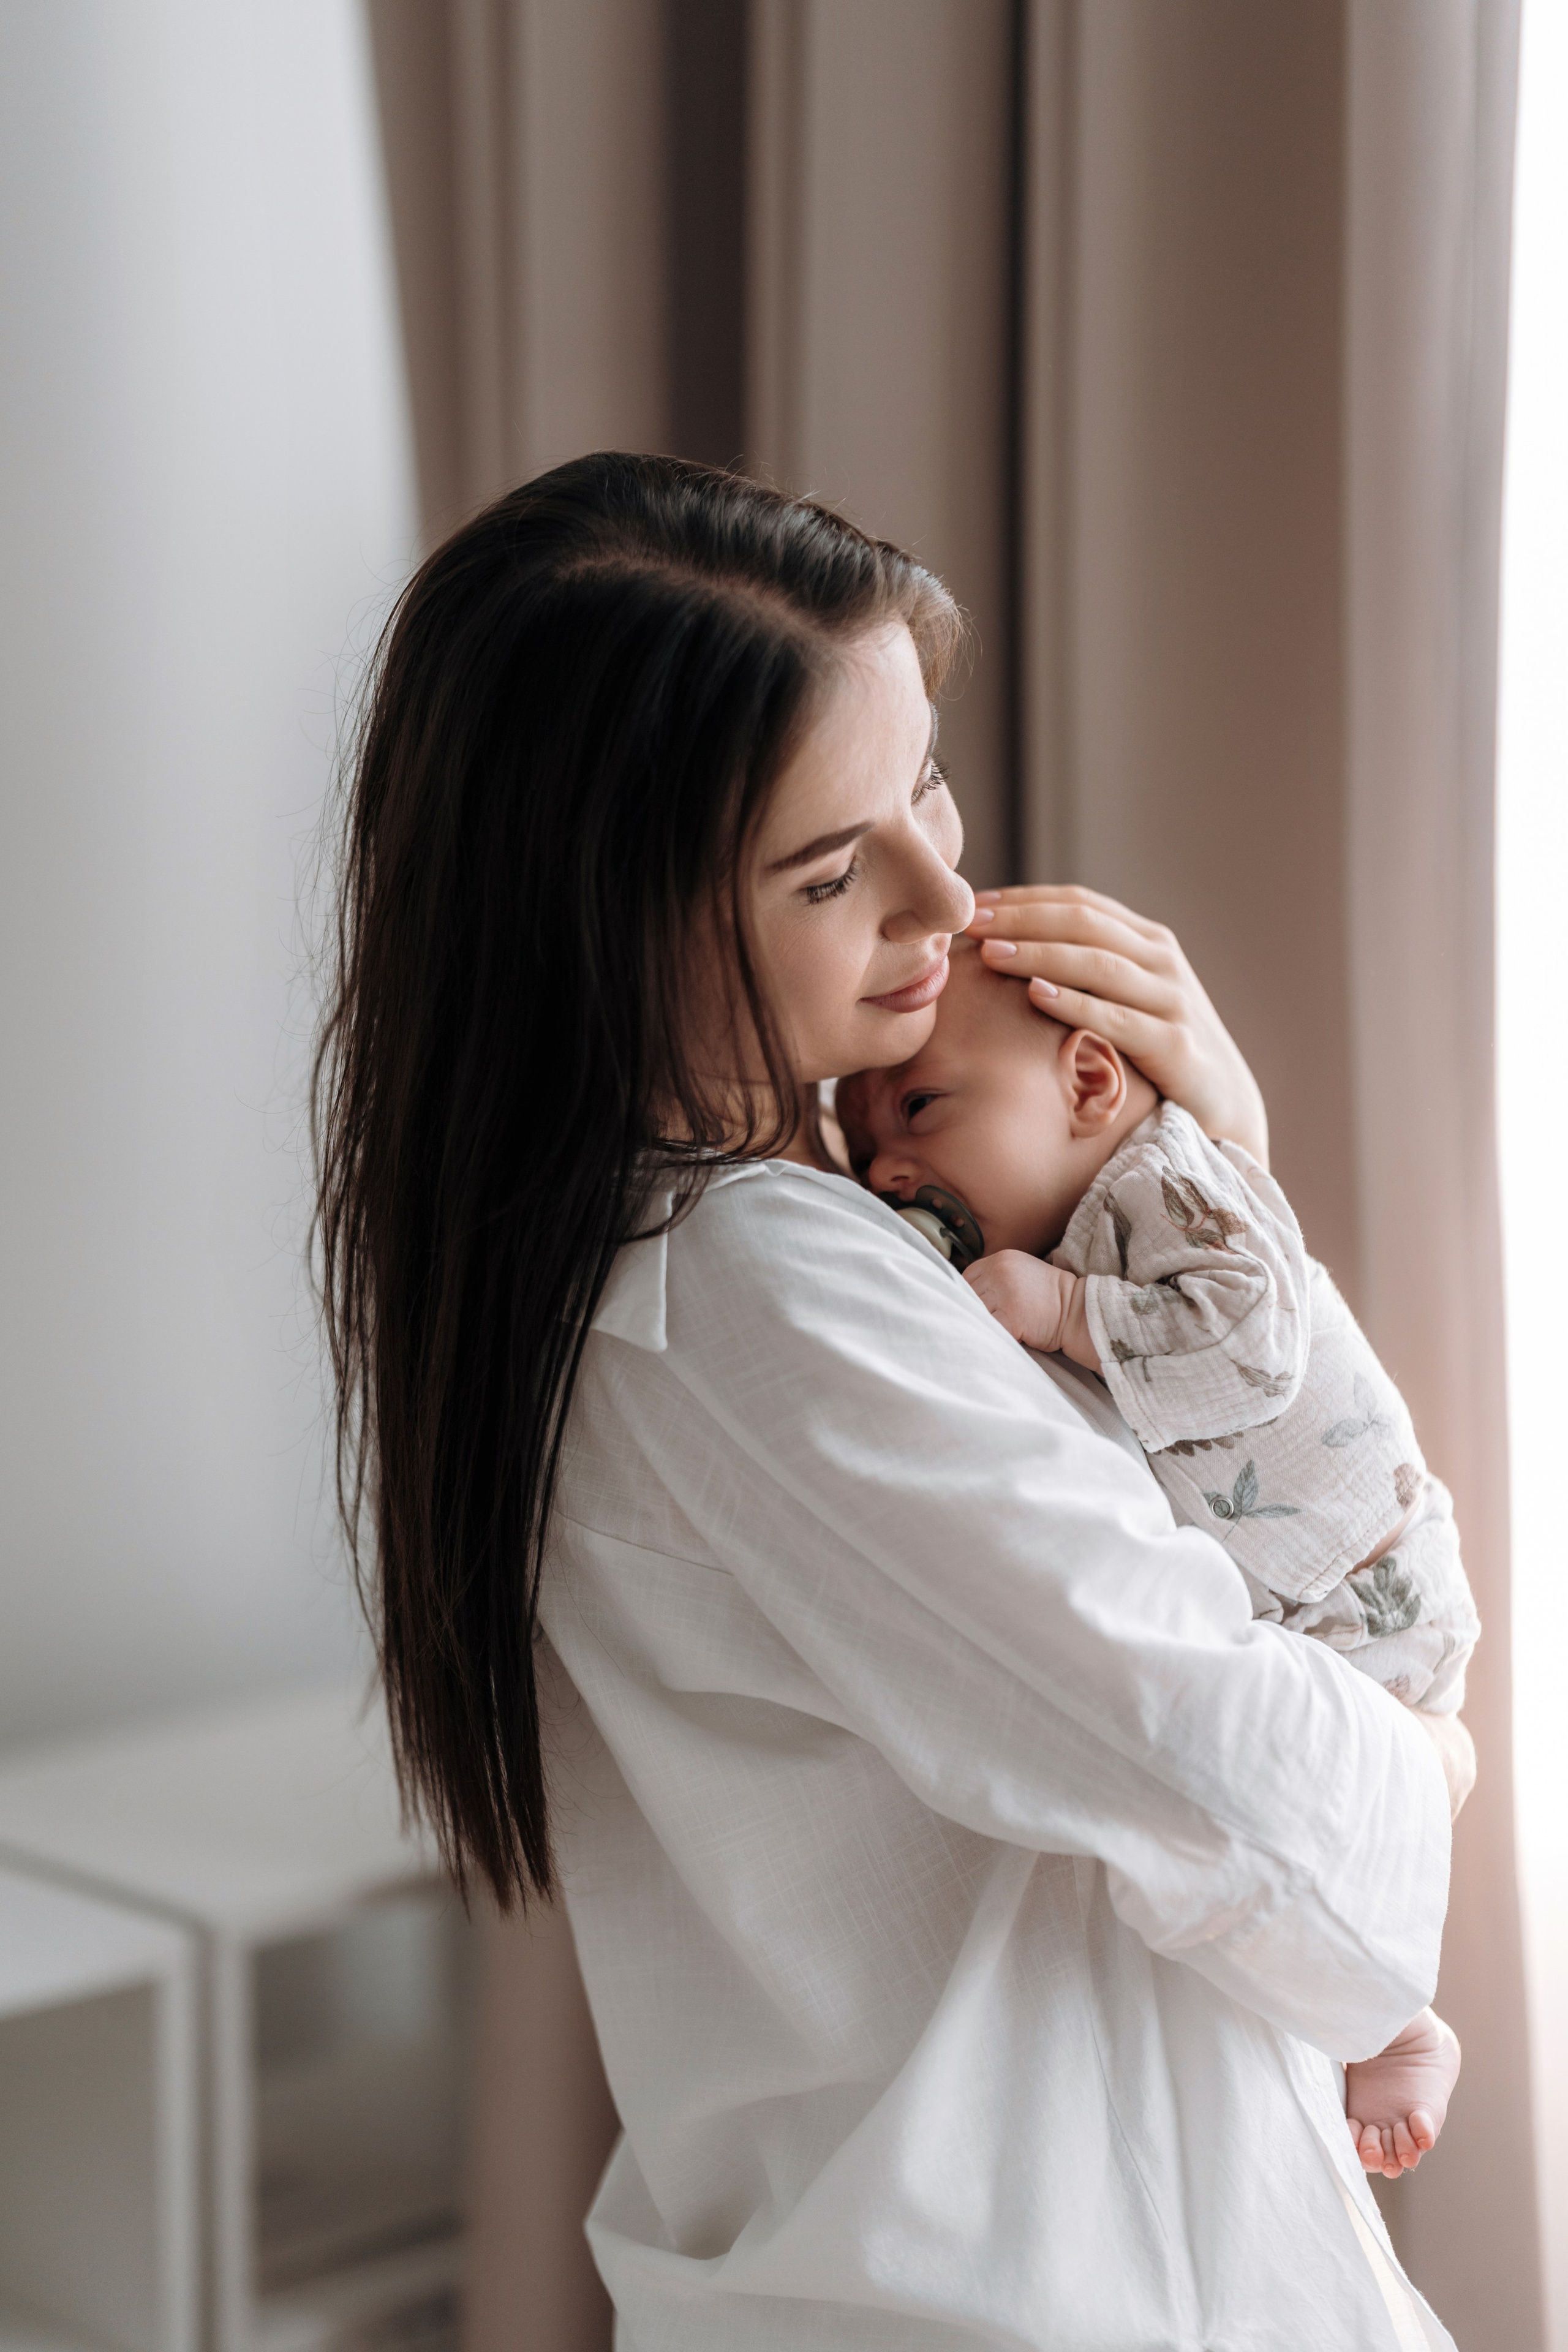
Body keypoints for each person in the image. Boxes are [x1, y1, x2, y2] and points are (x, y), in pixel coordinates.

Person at [314, 453, 1457, 2348]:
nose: (949, 896)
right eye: (837, 871)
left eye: (925, 781)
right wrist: (1428, 1763)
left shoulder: (738, 1254)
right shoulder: (755, 1288)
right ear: (608, 925)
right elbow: (1254, 1795)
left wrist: (1191, 1190)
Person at [837, 937, 1478, 2180]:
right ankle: (1379, 2013)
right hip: (1299, 1596)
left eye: (919, 1107)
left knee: (1306, 1811)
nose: (890, 1169)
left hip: (1363, 1593)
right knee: (1270, 1828)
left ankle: (1394, 2013)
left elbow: (1256, 1343)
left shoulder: (1167, 1180)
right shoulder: (1075, 1226)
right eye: (866, 1155)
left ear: (1087, 1082)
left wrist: (1067, 1314)